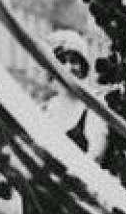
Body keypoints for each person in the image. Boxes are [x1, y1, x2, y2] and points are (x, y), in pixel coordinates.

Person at [42, 29, 108, 161]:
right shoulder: (48, 108)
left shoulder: (94, 106)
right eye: (61, 61)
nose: (68, 68)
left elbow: (95, 155)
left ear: (84, 66)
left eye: (74, 61)